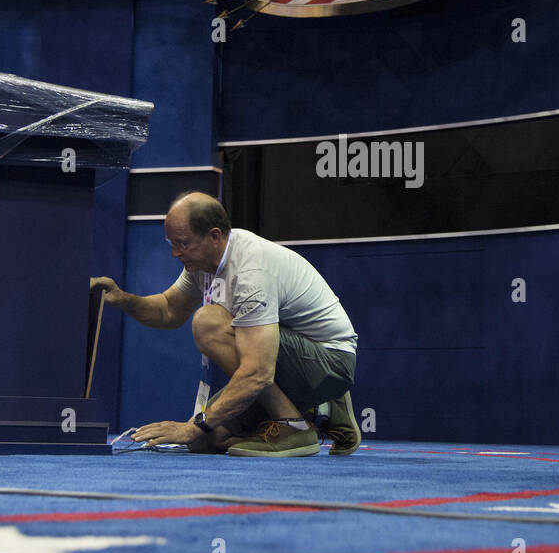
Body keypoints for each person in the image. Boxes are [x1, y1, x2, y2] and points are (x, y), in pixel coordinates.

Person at [90, 191, 359, 457]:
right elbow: (168, 310)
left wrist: (193, 426)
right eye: (170, 243)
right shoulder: (202, 264)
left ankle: (294, 425)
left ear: (214, 236)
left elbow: (257, 373)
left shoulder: (250, 271)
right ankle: (321, 409)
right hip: (289, 363)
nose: (175, 253)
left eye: (182, 244)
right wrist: (123, 299)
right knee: (205, 442)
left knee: (208, 322)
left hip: (330, 362)